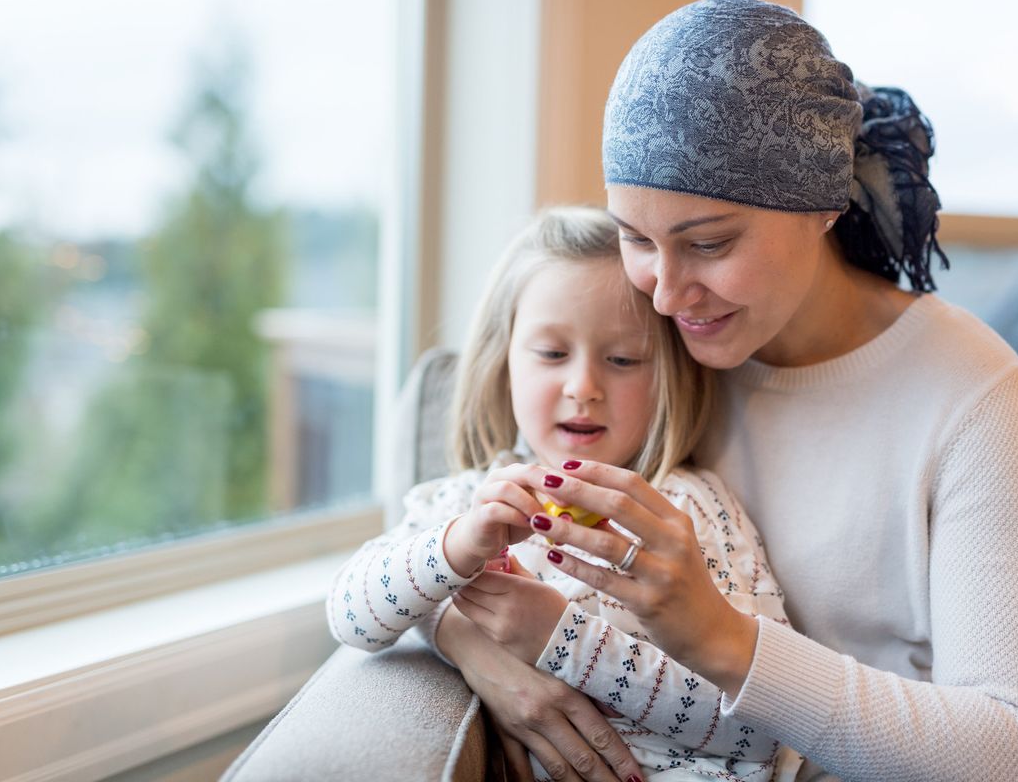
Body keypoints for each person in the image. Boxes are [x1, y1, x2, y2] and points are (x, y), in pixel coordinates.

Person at [432, 0, 1018, 782]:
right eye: (638, 238)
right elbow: (437, 524)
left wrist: (723, 640)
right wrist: (463, 637)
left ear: (823, 207)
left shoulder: (967, 392)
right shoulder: (647, 349)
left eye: (708, 243)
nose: (665, 293)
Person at [327, 207, 804, 781]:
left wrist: (562, 639)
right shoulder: (464, 503)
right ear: (503, 365)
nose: (583, 387)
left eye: (623, 359)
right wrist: (454, 550)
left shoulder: (687, 510)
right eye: (552, 354)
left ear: (672, 376)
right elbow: (350, 616)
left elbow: (762, 732)